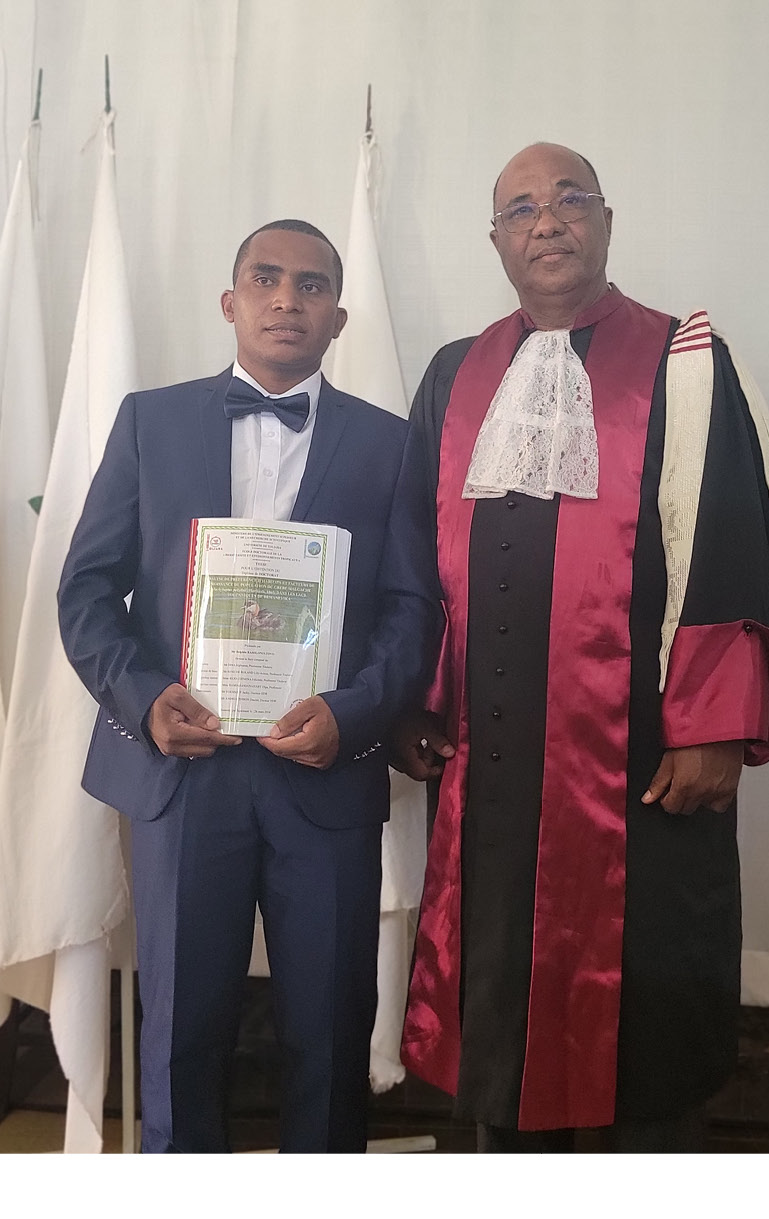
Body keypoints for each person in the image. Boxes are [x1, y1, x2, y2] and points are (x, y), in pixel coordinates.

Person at [393, 144, 769, 1151]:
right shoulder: (456, 373)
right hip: (489, 763)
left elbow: (734, 540)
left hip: (642, 765)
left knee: (649, 1043)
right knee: (501, 1013)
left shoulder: (686, 360)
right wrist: (411, 700)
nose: (548, 221)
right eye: (522, 208)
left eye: (569, 199)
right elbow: (409, 556)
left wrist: (716, 726)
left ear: (607, 220)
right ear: (496, 240)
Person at [56, 219, 439, 1151]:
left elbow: (412, 607)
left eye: (310, 286)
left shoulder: (392, 445)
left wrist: (352, 716)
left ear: (338, 317)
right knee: (183, 1034)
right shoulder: (150, 421)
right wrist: (146, 698)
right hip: (183, 779)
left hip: (326, 775)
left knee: (331, 1031)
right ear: (229, 303)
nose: (285, 299)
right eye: (265, 280)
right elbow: (87, 589)